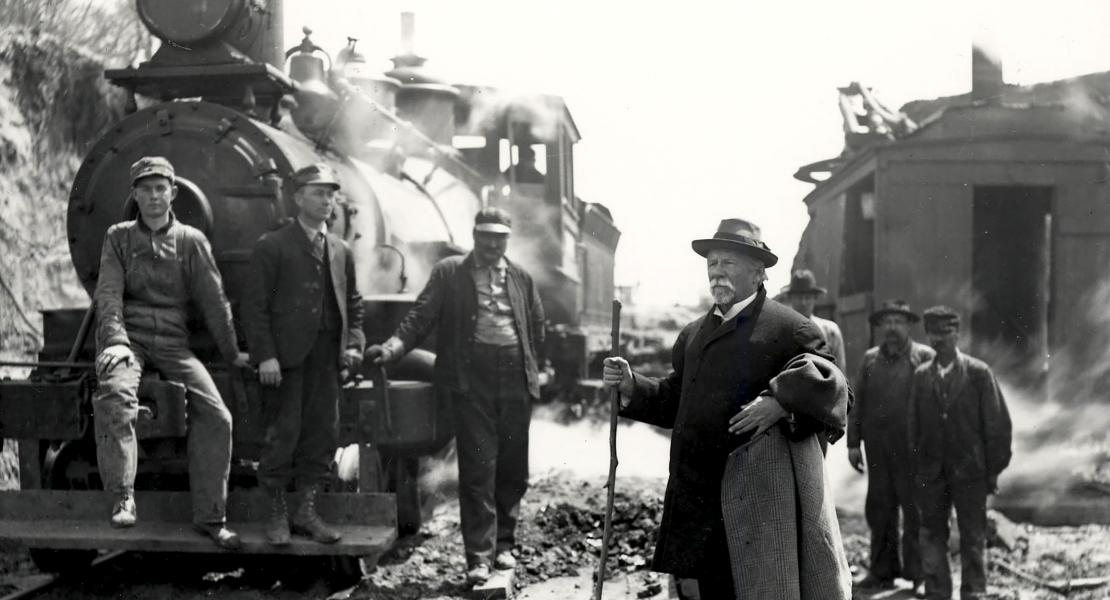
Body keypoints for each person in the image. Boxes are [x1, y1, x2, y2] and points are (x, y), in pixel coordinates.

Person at [603, 218, 851, 600]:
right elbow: (674, 401)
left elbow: (839, 394)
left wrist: (781, 404)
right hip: (696, 496)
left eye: (727, 263)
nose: (716, 272)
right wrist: (633, 385)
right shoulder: (693, 334)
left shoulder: (790, 329)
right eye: (712, 264)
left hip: (755, 500)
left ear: (758, 272)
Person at [367, 206, 544, 585]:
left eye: (500, 237)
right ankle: (479, 558)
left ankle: (506, 546)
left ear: (507, 240)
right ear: (474, 235)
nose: (492, 244)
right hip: (471, 382)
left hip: (515, 381)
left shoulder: (522, 279)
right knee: (479, 468)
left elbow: (536, 326)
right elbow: (421, 316)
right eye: (485, 235)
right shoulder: (450, 272)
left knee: (513, 469)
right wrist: (394, 348)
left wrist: (533, 369)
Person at [92, 156, 247, 549]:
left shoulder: (192, 241)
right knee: (115, 394)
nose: (154, 196)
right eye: (145, 189)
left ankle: (211, 518)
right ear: (135, 195)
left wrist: (233, 355)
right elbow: (108, 293)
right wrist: (114, 340)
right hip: (131, 339)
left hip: (176, 345)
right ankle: (122, 497)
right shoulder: (118, 237)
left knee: (218, 415)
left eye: (161, 188)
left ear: (174, 193)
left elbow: (215, 302)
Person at [241, 163, 365, 546]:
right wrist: (265, 355)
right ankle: (276, 513)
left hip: (327, 359)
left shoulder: (341, 250)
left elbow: (354, 304)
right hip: (287, 359)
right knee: (283, 434)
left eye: (330, 194)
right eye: (317, 192)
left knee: (323, 434)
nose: (327, 200)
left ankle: (306, 511)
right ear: (297, 198)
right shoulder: (273, 245)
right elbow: (254, 306)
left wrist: (354, 344)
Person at [908, 306, 1012, 600]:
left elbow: (998, 427)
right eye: (933, 333)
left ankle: (974, 591)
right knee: (932, 534)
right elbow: (912, 429)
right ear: (927, 336)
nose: (939, 339)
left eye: (945, 332)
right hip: (932, 473)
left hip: (971, 473)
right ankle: (937, 591)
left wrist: (992, 471)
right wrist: (918, 469)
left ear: (957, 334)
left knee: (972, 535)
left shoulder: (979, 374)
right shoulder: (920, 376)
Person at [848, 300, 934, 596]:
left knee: (915, 512)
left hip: (913, 452)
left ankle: (919, 575)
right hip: (878, 452)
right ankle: (881, 571)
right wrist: (852, 444)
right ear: (881, 327)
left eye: (899, 321)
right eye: (888, 322)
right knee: (880, 510)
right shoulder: (870, 360)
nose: (893, 328)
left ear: (909, 325)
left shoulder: (924, 357)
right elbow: (857, 403)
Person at [782, 269, 846, 369]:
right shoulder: (782, 330)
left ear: (815, 298)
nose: (803, 302)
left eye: (807, 297)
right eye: (799, 297)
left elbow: (841, 371)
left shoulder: (830, 331)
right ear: (790, 298)